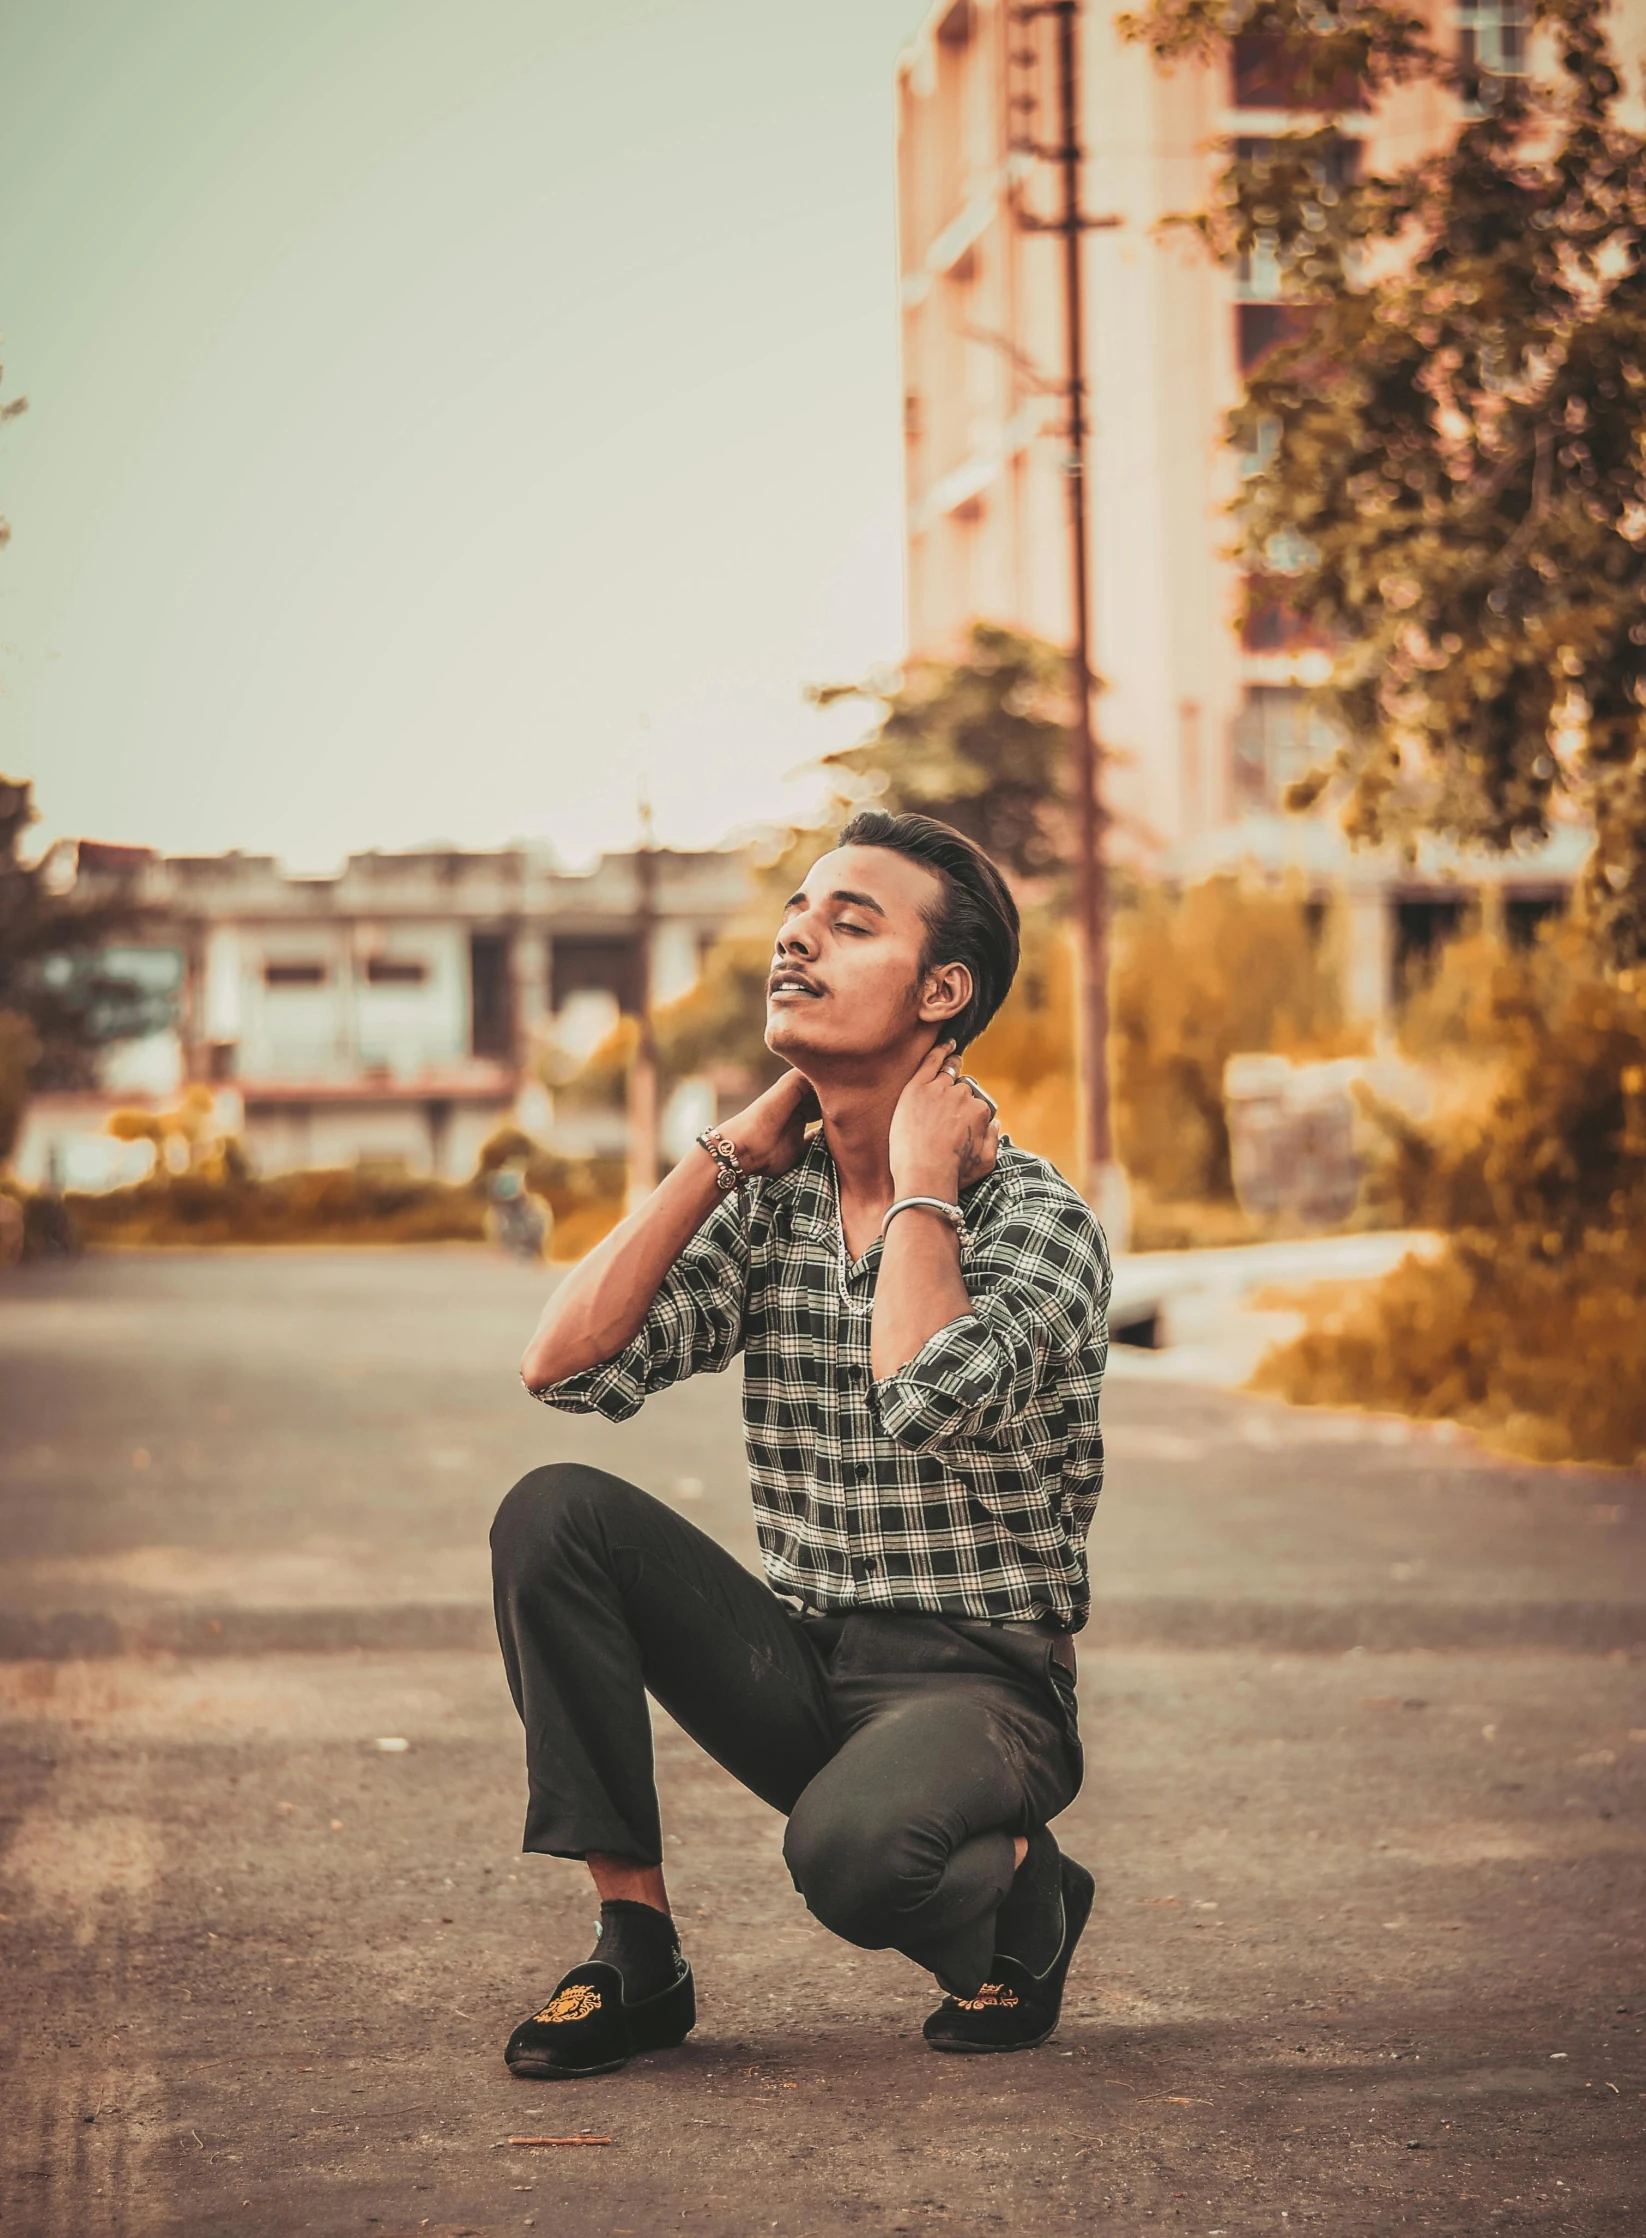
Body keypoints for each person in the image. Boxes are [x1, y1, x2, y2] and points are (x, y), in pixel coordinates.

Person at [492, 809, 1111, 2079]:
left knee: (851, 1860)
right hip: (805, 1661)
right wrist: (717, 1160)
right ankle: (635, 1949)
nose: (796, 939)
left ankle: (1026, 1892)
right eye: (797, 913)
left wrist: (922, 1181)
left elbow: (924, 1395)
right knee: (553, 1514)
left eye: (849, 922)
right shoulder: (771, 1202)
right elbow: (564, 1364)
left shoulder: (1035, 1223)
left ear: (942, 991)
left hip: (979, 1688)